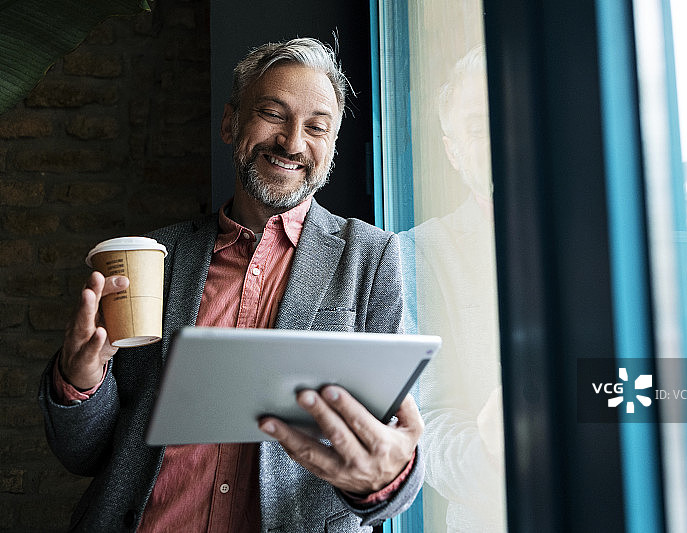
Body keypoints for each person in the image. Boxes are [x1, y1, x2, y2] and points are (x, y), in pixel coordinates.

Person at [38, 37, 424, 532]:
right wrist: (79, 382)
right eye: (273, 113)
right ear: (230, 122)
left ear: (330, 147)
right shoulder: (156, 259)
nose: (291, 142)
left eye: (316, 127)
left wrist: (387, 477)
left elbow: (401, 458)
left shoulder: (372, 260)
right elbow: (84, 454)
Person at [399, 45, 506, 532]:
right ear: (452, 150)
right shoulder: (422, 252)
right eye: (480, 128)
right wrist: (501, 456)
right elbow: (429, 427)